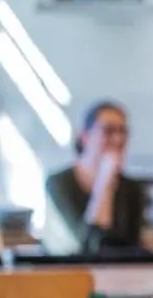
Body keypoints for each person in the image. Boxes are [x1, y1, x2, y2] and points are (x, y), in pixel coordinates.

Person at [44, 100, 146, 254]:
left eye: (123, 131)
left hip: (119, 275)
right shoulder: (58, 183)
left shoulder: (132, 189)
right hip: (68, 274)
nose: (118, 139)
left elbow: (133, 249)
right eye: (108, 130)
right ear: (85, 137)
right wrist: (104, 181)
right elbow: (86, 245)